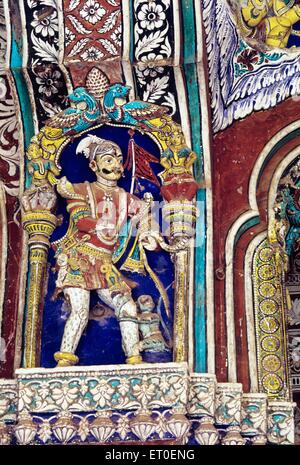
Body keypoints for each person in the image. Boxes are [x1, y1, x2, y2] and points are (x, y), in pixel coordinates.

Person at [53, 136, 150, 367]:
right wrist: (99, 224)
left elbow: (146, 216)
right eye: (108, 159)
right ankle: (65, 360)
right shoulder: (81, 190)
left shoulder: (127, 199)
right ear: (94, 166)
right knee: (80, 310)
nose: (115, 165)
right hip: (80, 259)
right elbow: (80, 220)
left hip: (106, 264)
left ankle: (134, 357)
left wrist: (149, 232)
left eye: (118, 160)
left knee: (127, 306)